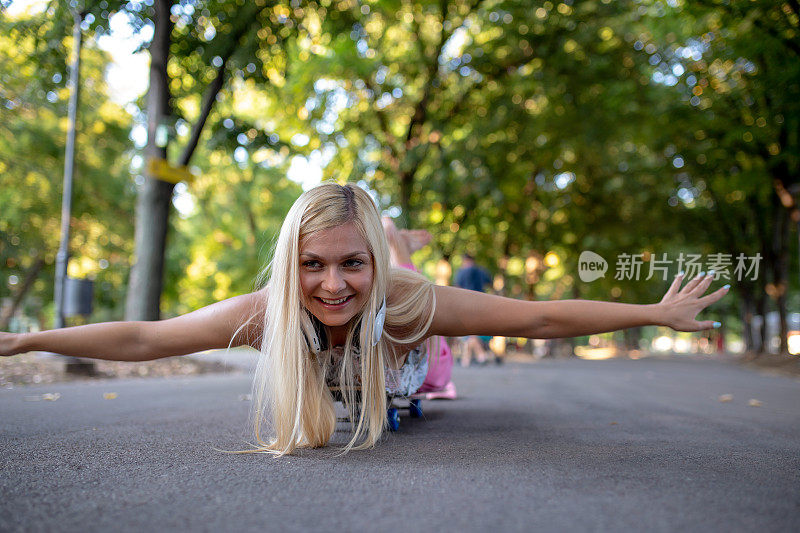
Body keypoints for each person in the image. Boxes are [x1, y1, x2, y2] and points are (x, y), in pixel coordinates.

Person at [0, 183, 729, 456]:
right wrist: (27, 336)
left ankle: (418, 366)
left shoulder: (408, 298)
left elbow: (536, 314)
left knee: (411, 335)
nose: (333, 282)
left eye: (353, 262)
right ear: (292, 263)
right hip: (339, 360)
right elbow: (145, 336)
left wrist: (655, 311)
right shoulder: (267, 312)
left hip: (403, 353)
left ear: (374, 262)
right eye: (314, 264)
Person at [381, 216, 457, 400]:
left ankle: (398, 243)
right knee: (404, 284)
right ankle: (399, 243)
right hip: (433, 368)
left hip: (430, 368)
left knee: (402, 287)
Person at [454, 254, 492, 366]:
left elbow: (457, 287)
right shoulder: (482, 271)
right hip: (481, 302)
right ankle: (468, 358)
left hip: (466, 303)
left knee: (470, 332)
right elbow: (489, 283)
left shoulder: (461, 272)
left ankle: (480, 356)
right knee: (473, 332)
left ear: (465, 261)